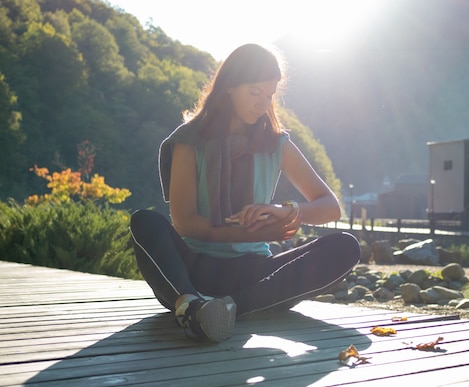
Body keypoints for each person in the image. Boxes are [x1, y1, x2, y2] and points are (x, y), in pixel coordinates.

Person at [130, 43, 361, 342]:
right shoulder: (188, 140)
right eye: (254, 93)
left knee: (345, 246)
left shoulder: (277, 144)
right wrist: (256, 233)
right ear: (229, 87)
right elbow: (185, 223)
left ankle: (227, 309)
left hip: (253, 275)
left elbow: (330, 206)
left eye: (269, 95)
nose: (262, 104)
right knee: (144, 222)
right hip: (192, 269)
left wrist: (287, 210)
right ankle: (190, 304)